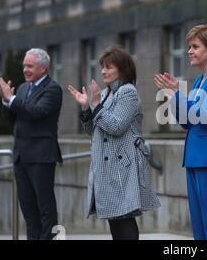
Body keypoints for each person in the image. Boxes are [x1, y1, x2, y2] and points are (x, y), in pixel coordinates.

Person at [154, 22, 207, 240]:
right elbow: (186, 122)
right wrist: (174, 95)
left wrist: (177, 95)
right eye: (189, 46)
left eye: (195, 46)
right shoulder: (201, 80)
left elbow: (204, 116)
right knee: (200, 226)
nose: (189, 51)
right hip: (196, 157)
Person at [68, 45, 160, 240]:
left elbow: (116, 126)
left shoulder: (128, 92)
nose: (103, 71)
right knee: (115, 220)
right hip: (106, 167)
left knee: (124, 218)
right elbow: (94, 131)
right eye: (102, 67)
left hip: (122, 166)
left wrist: (95, 105)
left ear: (122, 69)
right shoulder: (104, 94)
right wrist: (86, 109)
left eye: (109, 67)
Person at [0, 48, 63, 240]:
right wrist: (5, 99)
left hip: (41, 158)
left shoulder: (52, 89)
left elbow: (36, 112)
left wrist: (12, 98)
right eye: (24, 65)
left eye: (29, 66)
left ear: (43, 68)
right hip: (21, 157)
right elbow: (12, 117)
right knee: (29, 213)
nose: (25, 69)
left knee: (46, 211)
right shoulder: (24, 88)